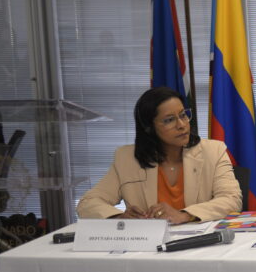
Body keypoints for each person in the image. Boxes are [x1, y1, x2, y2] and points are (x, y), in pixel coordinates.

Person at [77, 87, 241, 223]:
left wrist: (184, 215)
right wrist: (120, 217)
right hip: (149, 246)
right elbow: (87, 203)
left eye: (183, 115)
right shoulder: (126, 158)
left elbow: (231, 200)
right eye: (169, 120)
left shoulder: (213, 151)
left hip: (201, 243)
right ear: (149, 127)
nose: (182, 125)